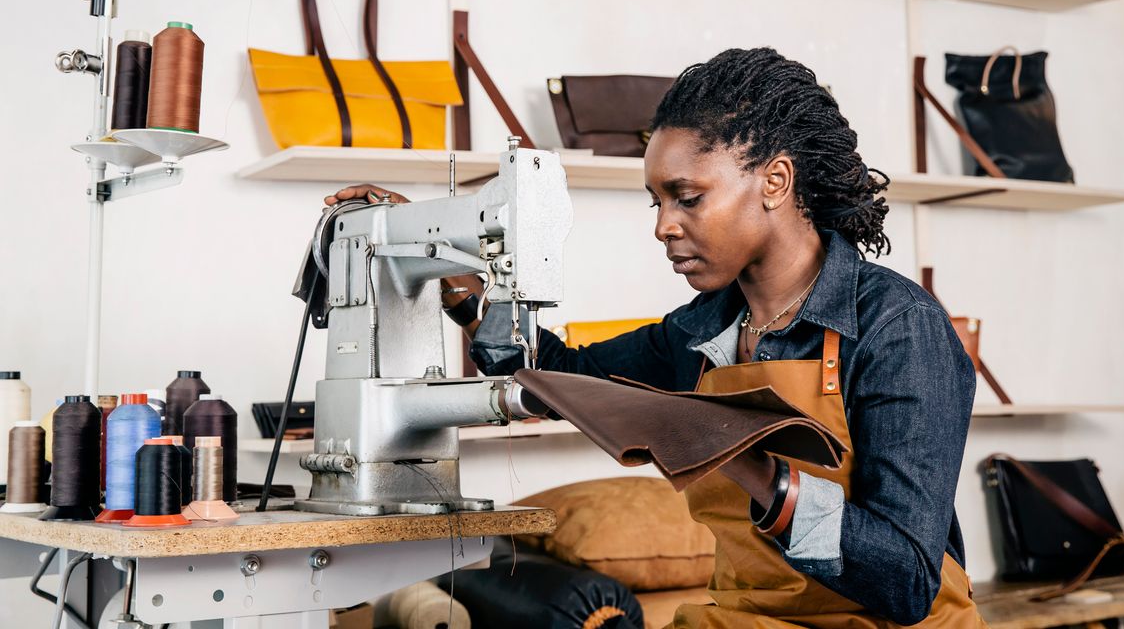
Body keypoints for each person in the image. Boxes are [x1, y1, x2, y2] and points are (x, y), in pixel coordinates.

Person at [325, 48, 984, 627]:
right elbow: (556, 376)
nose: (663, 226)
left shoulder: (898, 327)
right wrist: (451, 275)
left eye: (687, 197)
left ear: (775, 182)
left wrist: (752, 467)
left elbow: (906, 584)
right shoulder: (700, 330)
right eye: (656, 202)